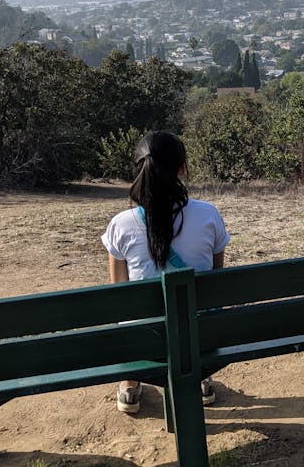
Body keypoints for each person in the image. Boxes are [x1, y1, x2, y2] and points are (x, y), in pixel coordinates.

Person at [100, 130, 230, 414]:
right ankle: (200, 375)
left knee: (132, 315)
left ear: (140, 170)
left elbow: (119, 298)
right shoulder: (209, 215)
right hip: (201, 338)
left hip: (146, 342)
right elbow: (216, 281)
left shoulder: (120, 225)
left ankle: (131, 381)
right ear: (182, 169)